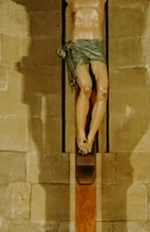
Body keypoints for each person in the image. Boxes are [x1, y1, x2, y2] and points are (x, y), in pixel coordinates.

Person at [61, 0, 109, 154]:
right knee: (86, 87)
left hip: (96, 45)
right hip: (77, 46)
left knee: (103, 90)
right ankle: (80, 134)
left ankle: (91, 136)